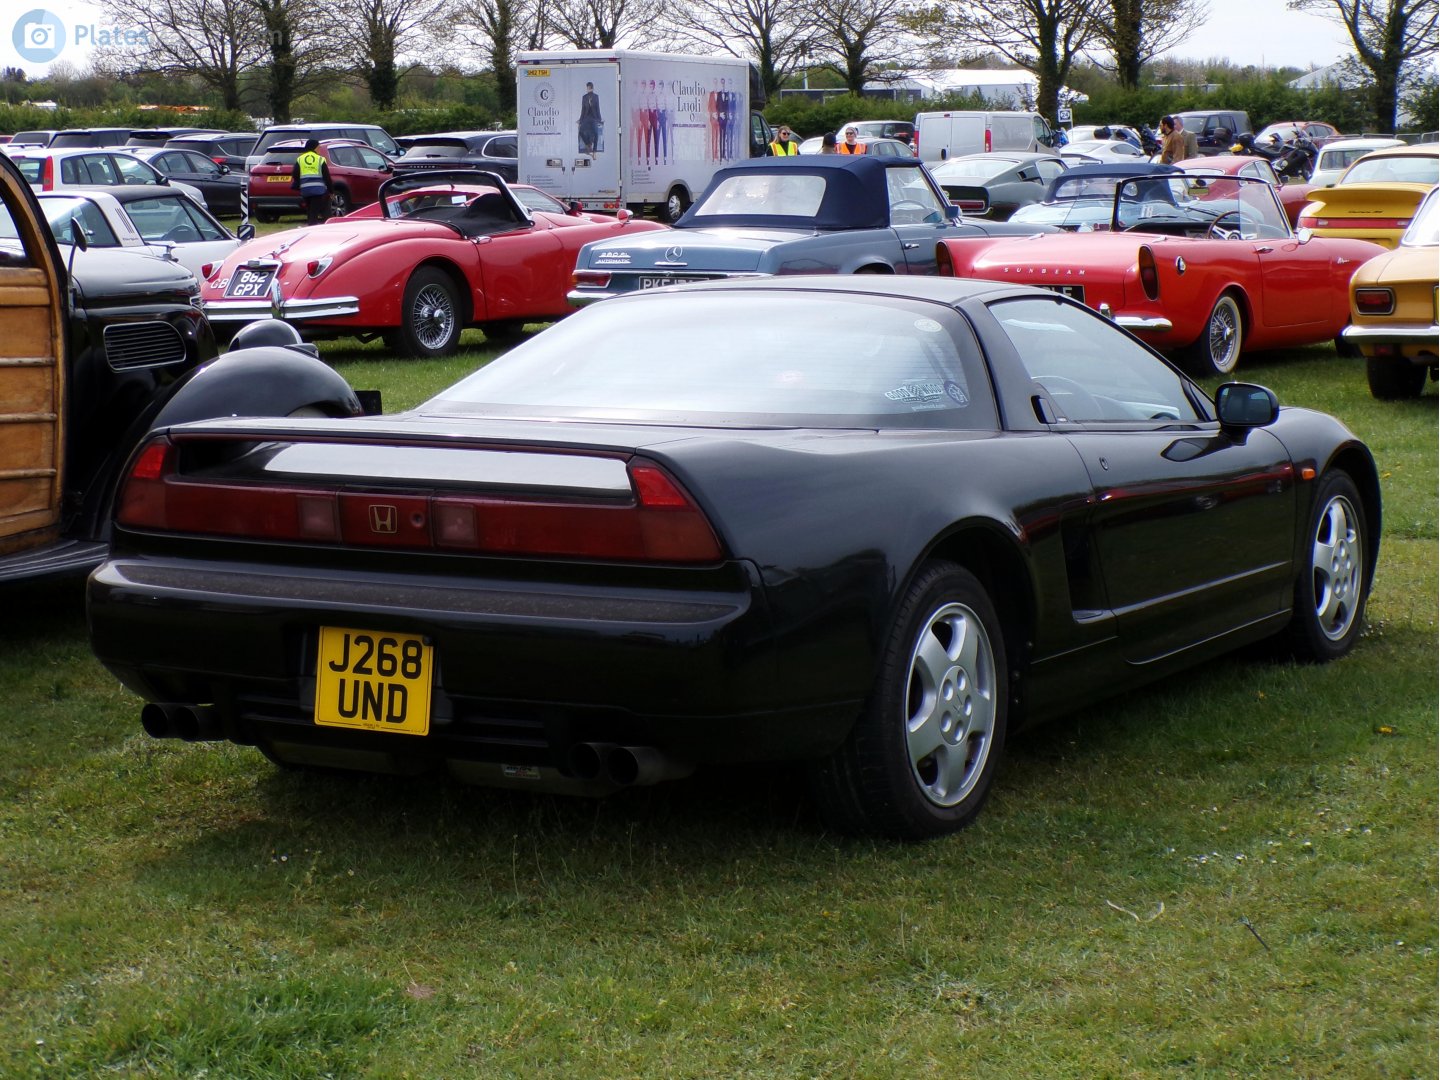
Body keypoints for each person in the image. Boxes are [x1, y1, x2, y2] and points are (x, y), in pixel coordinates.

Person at [290, 138, 332, 225]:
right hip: (318, 189)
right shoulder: (320, 159)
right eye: (318, 147)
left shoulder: (300, 159)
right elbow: (326, 176)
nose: (319, 149)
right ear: (315, 148)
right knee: (314, 210)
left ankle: (310, 224)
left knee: (309, 209)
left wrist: (300, 182)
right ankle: (312, 226)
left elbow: (295, 174)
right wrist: (331, 191)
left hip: (305, 189)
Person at [578, 81, 602, 156]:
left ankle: (594, 151)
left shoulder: (596, 97)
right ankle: (588, 144)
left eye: (589, 88)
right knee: (581, 131)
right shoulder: (584, 97)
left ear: (592, 88)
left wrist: (599, 118)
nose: (588, 90)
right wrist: (580, 120)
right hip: (586, 117)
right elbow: (583, 109)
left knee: (596, 133)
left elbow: (598, 108)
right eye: (587, 88)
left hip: (594, 118)